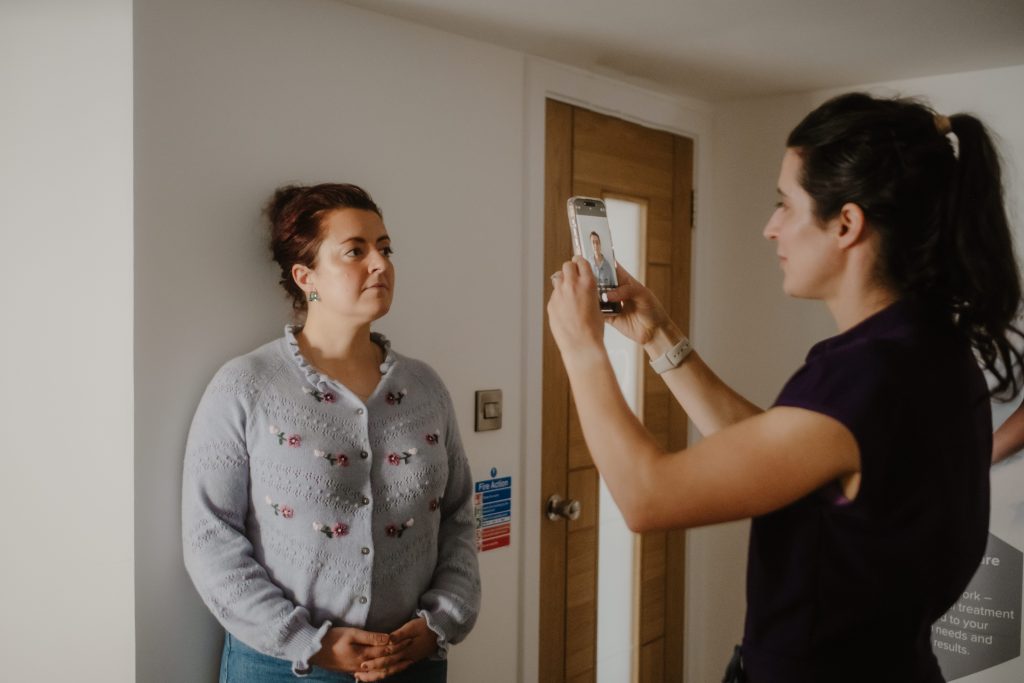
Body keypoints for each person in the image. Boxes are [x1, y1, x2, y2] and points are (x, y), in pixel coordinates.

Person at [547, 93, 1023, 682]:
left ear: (846, 224)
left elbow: (648, 497)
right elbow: (781, 453)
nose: (771, 229)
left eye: (785, 204)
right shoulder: (931, 353)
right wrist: (658, 335)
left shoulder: (865, 376)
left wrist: (580, 348)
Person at [183, 183, 480, 682]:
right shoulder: (248, 385)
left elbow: (458, 518)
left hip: (413, 663)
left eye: (385, 248)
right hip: (283, 667)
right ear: (306, 277)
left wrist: (441, 623)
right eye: (355, 251)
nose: (380, 264)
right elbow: (209, 535)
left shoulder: (425, 387)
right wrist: (308, 642)